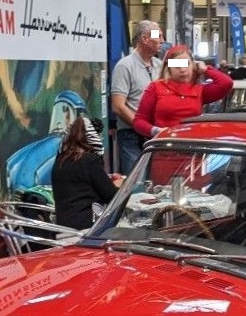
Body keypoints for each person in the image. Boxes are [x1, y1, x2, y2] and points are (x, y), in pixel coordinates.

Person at [132, 44, 233, 138]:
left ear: (193, 65)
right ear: (169, 68)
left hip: (191, 148)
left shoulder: (199, 90)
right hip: (164, 146)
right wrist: (156, 131)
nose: (183, 69)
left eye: (187, 64)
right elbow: (139, 121)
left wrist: (205, 69)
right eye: (177, 65)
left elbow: (226, 83)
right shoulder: (156, 87)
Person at [110, 20, 163, 175]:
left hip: (156, 135)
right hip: (131, 136)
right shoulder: (124, 66)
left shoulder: (160, 65)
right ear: (145, 38)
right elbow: (118, 106)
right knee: (136, 184)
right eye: (158, 36)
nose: (162, 40)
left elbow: (185, 64)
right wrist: (142, 126)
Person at [51, 117, 118, 230]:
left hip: (62, 228)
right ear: (93, 138)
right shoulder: (89, 160)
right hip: (86, 230)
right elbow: (112, 197)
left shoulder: (60, 161)